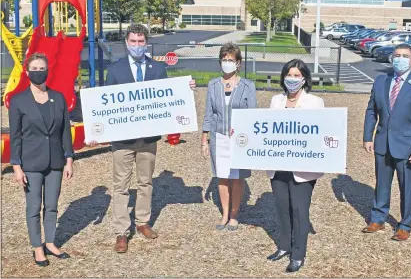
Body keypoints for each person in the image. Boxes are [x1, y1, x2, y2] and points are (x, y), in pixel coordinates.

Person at [88, 24, 195, 253]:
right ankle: (121, 231)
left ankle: (143, 222)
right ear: (126, 43)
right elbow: (106, 105)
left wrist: (185, 89)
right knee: (121, 186)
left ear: (146, 43)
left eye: (141, 41)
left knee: (145, 182)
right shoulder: (115, 70)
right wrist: (100, 132)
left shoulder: (157, 68)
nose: (137, 45)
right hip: (122, 141)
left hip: (148, 138)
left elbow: (170, 97)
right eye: (133, 41)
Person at [362, 44, 411, 241]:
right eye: (397, 55)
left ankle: (404, 225)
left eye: (405, 56)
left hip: (408, 147)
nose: (400, 59)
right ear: (391, 59)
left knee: (407, 188)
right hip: (383, 143)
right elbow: (371, 110)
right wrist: (368, 137)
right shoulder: (381, 81)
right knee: (382, 185)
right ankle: (378, 218)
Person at [8, 52, 74, 267]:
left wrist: (69, 159)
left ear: (48, 71)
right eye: (34, 69)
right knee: (34, 206)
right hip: (31, 163)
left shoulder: (58, 97)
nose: (39, 72)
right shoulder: (18, 101)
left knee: (52, 205)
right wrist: (16, 166)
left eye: (42, 68)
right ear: (27, 73)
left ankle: (51, 241)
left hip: (55, 161)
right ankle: (37, 247)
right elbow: (15, 136)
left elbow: (65, 131)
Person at [265, 59, 324, 273]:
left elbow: (321, 132)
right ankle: (284, 246)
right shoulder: (275, 100)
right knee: (282, 208)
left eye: (297, 75)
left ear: (305, 78)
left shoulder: (315, 102)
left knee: (299, 210)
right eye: (289, 75)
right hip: (278, 163)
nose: (292, 79)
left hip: (303, 166)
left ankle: (298, 254)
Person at [201, 42, 257, 231]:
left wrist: (248, 135)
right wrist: (204, 139)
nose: (227, 63)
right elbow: (209, 113)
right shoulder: (213, 85)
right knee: (222, 176)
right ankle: (224, 213)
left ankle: (234, 214)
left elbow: (252, 114)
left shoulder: (247, 86)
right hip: (219, 138)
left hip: (239, 140)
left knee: (237, 177)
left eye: (230, 60)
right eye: (224, 60)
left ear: (238, 63)